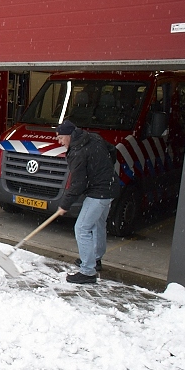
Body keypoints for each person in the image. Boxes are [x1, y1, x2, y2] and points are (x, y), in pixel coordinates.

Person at [56, 120, 120, 284]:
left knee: (82, 228)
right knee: (99, 223)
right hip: (110, 186)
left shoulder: (78, 153)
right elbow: (112, 150)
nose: (60, 141)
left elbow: (78, 183)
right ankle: (95, 259)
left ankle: (88, 272)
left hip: (99, 192)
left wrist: (64, 205)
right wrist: (104, 171)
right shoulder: (93, 138)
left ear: (70, 136)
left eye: (61, 138)